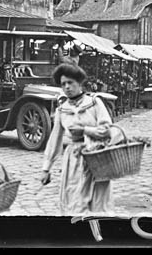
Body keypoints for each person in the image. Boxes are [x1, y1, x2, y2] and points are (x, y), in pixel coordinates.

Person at [40, 63, 114, 215]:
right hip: (74, 161)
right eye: (63, 84)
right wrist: (46, 168)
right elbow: (55, 140)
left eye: (70, 83)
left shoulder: (94, 103)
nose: (67, 87)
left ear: (79, 83)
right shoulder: (62, 109)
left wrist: (85, 130)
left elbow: (108, 130)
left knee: (98, 203)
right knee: (75, 202)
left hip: (97, 158)